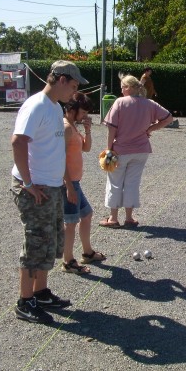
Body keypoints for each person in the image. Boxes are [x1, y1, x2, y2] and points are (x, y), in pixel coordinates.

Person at [11, 60, 89, 323]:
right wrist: (29, 184)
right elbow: (18, 141)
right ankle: (25, 300)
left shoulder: (56, 108)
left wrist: (67, 184)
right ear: (61, 79)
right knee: (35, 241)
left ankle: (41, 292)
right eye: (74, 85)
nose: (74, 92)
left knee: (51, 241)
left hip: (53, 186)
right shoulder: (36, 105)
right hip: (36, 188)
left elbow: (57, 153)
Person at [100, 74, 173, 228]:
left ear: (129, 87)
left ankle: (113, 219)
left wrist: (109, 149)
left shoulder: (119, 103)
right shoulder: (150, 103)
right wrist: (150, 129)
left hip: (120, 150)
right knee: (132, 183)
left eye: (123, 87)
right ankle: (129, 218)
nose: (121, 90)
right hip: (141, 150)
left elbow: (111, 128)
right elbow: (168, 118)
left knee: (115, 183)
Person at [61, 92, 106, 274]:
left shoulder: (74, 126)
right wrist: (69, 186)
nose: (85, 116)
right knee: (70, 222)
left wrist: (87, 130)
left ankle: (87, 252)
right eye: (83, 112)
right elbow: (60, 158)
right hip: (69, 183)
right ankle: (68, 261)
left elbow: (86, 149)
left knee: (86, 215)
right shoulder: (65, 128)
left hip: (75, 182)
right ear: (72, 109)